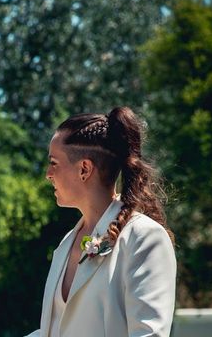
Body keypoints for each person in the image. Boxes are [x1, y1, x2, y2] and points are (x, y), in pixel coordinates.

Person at [26, 107, 176, 337]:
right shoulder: (66, 243)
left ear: (84, 169)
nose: (48, 173)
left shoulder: (144, 238)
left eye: (54, 163)